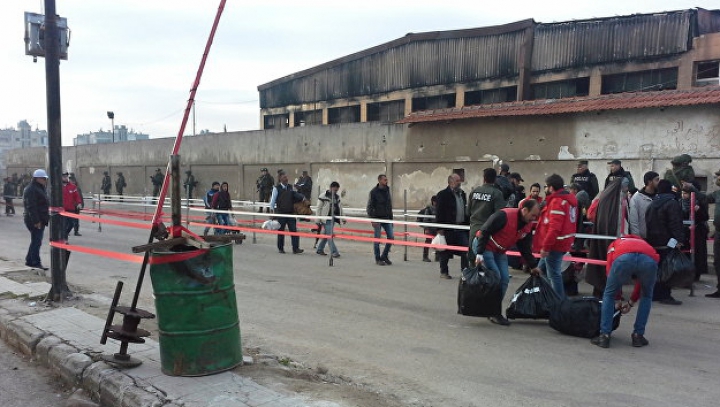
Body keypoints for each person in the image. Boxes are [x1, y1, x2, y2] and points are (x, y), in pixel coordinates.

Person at [473, 199, 542, 325]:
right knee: (496, 277)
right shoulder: (503, 215)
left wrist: (533, 265)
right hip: (485, 247)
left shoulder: (527, 225)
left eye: (536, 216)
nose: (534, 218)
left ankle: (493, 310)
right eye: (533, 215)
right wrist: (479, 254)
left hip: (499, 251)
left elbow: (525, 247)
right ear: (524, 210)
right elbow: (485, 231)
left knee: (504, 279)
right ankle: (492, 311)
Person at [591, 235, 659, 349]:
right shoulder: (647, 246)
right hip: (649, 260)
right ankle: (638, 335)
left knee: (608, 294)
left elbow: (609, 271)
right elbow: (640, 283)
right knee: (647, 296)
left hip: (623, 258)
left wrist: (617, 298)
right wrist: (632, 301)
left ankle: (604, 336)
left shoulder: (614, 244)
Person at [533, 174, 577, 299]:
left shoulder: (557, 202)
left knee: (553, 275)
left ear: (551, 187)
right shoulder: (567, 200)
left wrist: (546, 247)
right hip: (560, 242)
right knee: (539, 270)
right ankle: (547, 296)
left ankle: (558, 301)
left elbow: (554, 228)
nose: (545, 189)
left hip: (554, 244)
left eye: (546, 186)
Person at [645, 179, 684, 305]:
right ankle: (665, 295)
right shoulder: (672, 203)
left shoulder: (652, 203)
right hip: (668, 242)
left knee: (655, 269)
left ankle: (655, 294)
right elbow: (675, 223)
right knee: (667, 269)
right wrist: (679, 239)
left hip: (653, 241)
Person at [435, 174, 469, 279]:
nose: (459, 183)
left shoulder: (462, 194)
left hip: (461, 228)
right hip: (448, 228)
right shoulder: (442, 194)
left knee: (466, 249)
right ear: (450, 182)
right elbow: (439, 212)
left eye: (460, 181)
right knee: (445, 251)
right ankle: (444, 272)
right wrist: (439, 229)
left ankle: (465, 272)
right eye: (457, 181)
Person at [468, 168, 506, 256]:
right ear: (495, 179)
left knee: (472, 259)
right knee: (487, 261)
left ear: (484, 178)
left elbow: (468, 211)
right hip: (489, 233)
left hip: (473, 230)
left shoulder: (474, 191)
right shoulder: (497, 193)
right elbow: (499, 215)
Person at [270, 170, 308, 254]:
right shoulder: (276, 188)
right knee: (281, 232)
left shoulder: (290, 187)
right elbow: (272, 202)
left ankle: (295, 248)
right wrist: (272, 213)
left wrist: (303, 198)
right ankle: (280, 248)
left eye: (286, 177)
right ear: (280, 179)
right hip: (281, 214)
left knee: (294, 231)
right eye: (284, 177)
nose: (286, 179)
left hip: (290, 213)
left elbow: (296, 195)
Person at [680, 182, 709, 281]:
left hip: (697, 232)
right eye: (682, 193)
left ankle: (696, 274)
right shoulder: (680, 203)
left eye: (686, 193)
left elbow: (705, 217)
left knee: (697, 253)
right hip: (684, 232)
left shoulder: (698, 203)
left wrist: (699, 211)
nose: (683, 195)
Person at [23, 169, 50, 270]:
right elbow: (31, 207)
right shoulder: (31, 189)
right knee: (36, 241)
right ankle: (34, 261)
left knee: (36, 240)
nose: (45, 180)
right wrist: (36, 221)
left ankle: (30, 259)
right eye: (43, 178)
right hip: (34, 220)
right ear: (37, 178)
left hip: (39, 218)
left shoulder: (39, 188)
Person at [366, 174, 394, 265]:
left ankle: (384, 256)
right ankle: (378, 259)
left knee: (391, 237)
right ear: (379, 180)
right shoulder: (373, 192)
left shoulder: (387, 190)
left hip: (387, 218)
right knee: (377, 239)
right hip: (377, 218)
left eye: (387, 180)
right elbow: (369, 207)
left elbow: (389, 206)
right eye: (385, 180)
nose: (386, 181)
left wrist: (391, 219)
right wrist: (372, 219)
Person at [316, 181, 344, 258]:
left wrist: (342, 218)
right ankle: (334, 252)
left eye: (336, 190)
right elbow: (318, 208)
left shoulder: (337, 197)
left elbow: (340, 208)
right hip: (325, 219)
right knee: (329, 235)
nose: (335, 192)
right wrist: (317, 220)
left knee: (326, 235)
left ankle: (320, 249)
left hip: (333, 219)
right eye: (334, 190)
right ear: (330, 188)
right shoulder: (323, 196)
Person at [628, 171, 659, 238]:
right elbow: (633, 221)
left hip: (659, 237)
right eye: (657, 180)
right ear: (649, 182)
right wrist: (637, 238)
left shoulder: (660, 196)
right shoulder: (636, 198)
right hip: (643, 237)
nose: (659, 182)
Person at [706, 170, 720, 298]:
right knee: (717, 261)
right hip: (719, 232)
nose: (717, 178)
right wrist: (692, 188)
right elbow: (704, 198)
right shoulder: (717, 194)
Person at [61, 172, 82, 240]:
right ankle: (65, 238)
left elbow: (77, 196)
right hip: (62, 210)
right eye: (64, 177)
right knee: (64, 224)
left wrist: (79, 203)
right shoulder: (58, 187)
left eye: (66, 177)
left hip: (71, 209)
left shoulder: (73, 186)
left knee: (71, 224)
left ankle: (65, 234)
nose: (65, 178)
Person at [418, 195, 438, 262]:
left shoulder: (439, 208)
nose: (437, 203)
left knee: (437, 242)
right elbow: (425, 220)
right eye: (436, 201)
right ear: (433, 201)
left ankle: (437, 257)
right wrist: (426, 229)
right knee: (428, 242)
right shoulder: (429, 209)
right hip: (429, 229)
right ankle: (425, 256)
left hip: (436, 228)